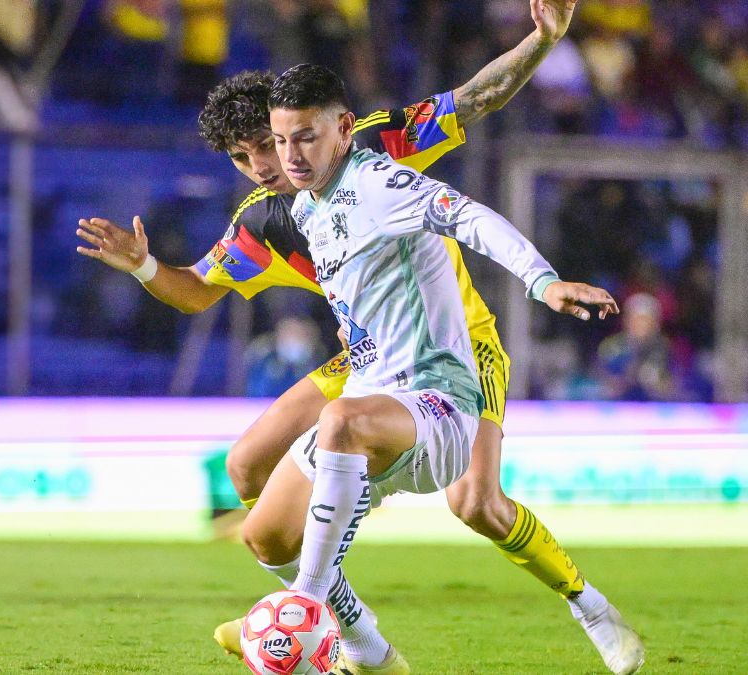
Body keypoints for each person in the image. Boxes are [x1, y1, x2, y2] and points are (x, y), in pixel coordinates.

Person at [75, 3, 642, 672]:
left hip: (455, 342)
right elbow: (196, 290)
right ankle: (356, 635)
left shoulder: (376, 150)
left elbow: (478, 100)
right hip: (368, 353)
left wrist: (541, 42)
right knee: (247, 472)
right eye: (245, 155)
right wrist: (143, 264)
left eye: (272, 141)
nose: (265, 163)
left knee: (476, 502)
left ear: (318, 128)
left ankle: (585, 603)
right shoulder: (265, 220)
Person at [235, 62, 639, 674]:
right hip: (377, 405)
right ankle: (369, 648)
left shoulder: (376, 182)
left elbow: (468, 217)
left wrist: (542, 282)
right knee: (265, 537)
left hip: (439, 406)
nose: (289, 156)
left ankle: (307, 609)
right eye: (281, 139)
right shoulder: (310, 207)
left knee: (362, 433)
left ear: (344, 129)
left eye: (306, 138)